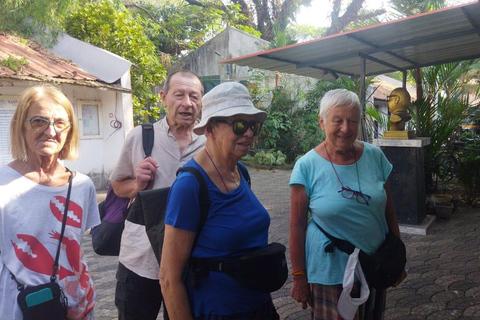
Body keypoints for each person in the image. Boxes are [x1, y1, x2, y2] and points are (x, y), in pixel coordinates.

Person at [160, 82, 279, 320]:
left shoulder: (240, 172)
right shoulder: (190, 185)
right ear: (211, 129)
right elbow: (169, 279)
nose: (249, 133)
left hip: (260, 305)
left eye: (253, 125)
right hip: (220, 312)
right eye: (239, 124)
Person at [289, 89, 407, 319]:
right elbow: (296, 227)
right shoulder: (306, 166)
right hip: (331, 272)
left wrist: (397, 259)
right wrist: (299, 277)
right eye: (338, 121)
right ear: (322, 122)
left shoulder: (375, 156)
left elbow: (389, 211)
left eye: (352, 121)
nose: (346, 128)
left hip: (375, 264)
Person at [110, 70, 206, 320]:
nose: (187, 103)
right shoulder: (141, 136)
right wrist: (137, 184)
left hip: (191, 259)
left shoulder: (209, 143)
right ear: (163, 98)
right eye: (179, 95)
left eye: (194, 96)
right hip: (141, 259)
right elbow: (118, 186)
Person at [0, 84, 100, 319]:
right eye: (39, 121)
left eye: (60, 123)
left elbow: (75, 251)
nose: (51, 131)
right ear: (21, 127)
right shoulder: (3, 184)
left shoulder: (82, 185)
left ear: (69, 131)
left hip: (79, 308)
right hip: (20, 310)